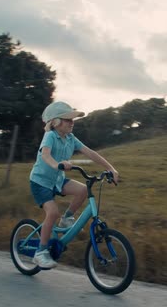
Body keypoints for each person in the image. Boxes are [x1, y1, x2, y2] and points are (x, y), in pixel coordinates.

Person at [29, 101, 119, 269]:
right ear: (55, 122)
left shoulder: (71, 138)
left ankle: (67, 218)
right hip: (40, 182)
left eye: (73, 119)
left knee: (84, 189)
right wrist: (57, 164)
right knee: (52, 212)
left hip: (57, 181)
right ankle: (40, 253)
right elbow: (45, 155)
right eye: (68, 119)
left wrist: (111, 168)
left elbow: (91, 153)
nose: (72, 122)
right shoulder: (50, 136)